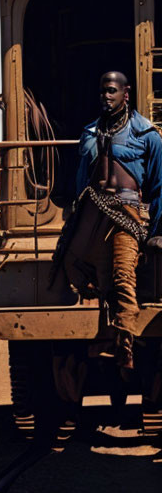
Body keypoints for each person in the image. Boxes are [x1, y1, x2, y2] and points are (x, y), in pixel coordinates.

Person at [59, 71, 162, 369]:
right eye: (103, 91)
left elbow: (159, 185)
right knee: (80, 267)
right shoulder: (90, 133)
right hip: (93, 212)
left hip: (127, 213)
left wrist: (157, 230)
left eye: (112, 91)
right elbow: (82, 181)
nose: (106, 96)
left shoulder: (147, 135)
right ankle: (103, 337)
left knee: (122, 273)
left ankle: (125, 341)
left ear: (125, 94)